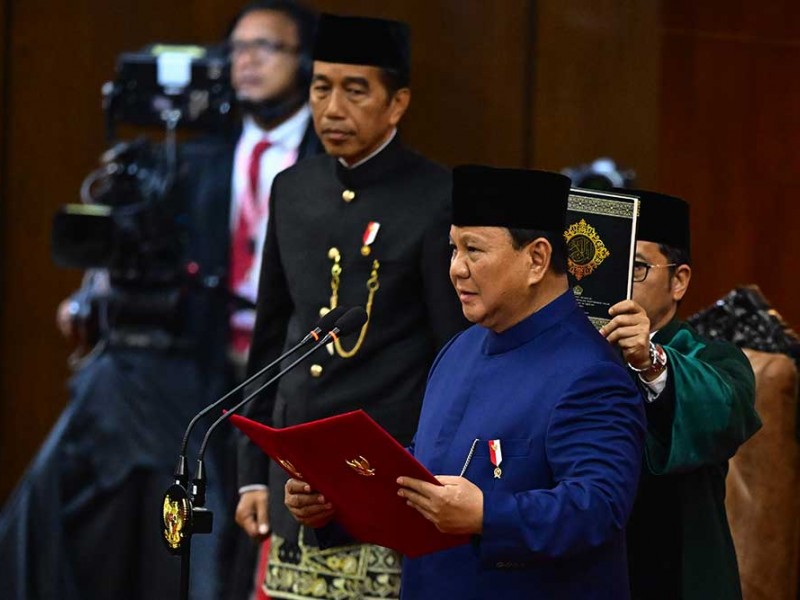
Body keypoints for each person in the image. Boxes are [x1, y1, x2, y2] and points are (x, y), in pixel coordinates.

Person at [0, 3, 319, 599]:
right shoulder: (188, 158)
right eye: (236, 50)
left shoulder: (329, 157)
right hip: (196, 362)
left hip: (289, 368)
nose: (246, 61)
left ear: (304, 62)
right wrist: (90, 296)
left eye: (266, 47)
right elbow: (135, 247)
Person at [285, 165, 648, 598]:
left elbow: (598, 508)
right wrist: (333, 502)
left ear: (536, 259)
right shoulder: (459, 350)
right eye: (453, 249)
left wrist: (486, 515)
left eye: (473, 250)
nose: (456, 268)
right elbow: (422, 473)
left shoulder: (590, 372)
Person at [235, 13, 466, 599]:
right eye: (321, 87)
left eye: (355, 90)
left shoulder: (436, 197)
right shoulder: (294, 187)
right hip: (296, 467)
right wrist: (249, 476)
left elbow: (451, 353)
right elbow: (272, 337)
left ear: (397, 103)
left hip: (382, 466)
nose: (333, 108)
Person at [599, 189, 761, 599]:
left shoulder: (711, 358)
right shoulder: (574, 356)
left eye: (635, 266)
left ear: (679, 281)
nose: (619, 281)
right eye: (608, 264)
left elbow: (724, 415)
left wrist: (647, 359)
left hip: (676, 572)